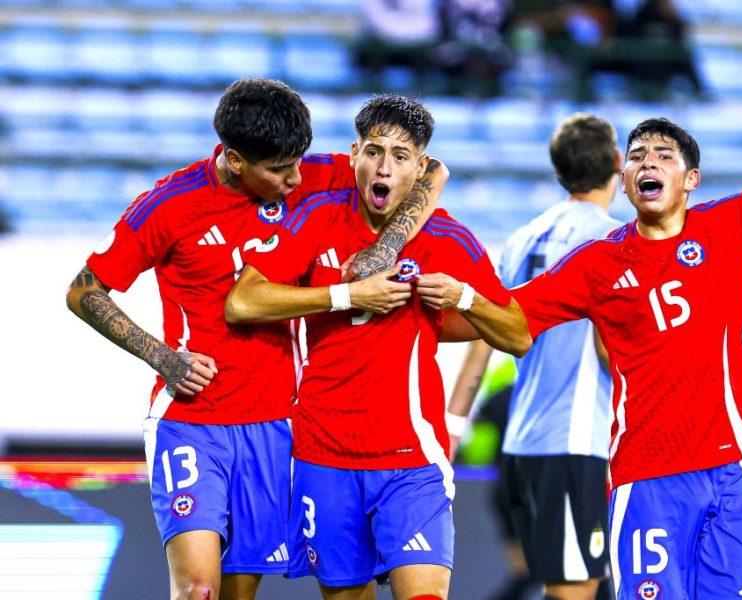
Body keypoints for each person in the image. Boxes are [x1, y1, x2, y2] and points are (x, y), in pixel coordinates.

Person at [508, 56, 742, 598]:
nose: (647, 162)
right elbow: (514, 317)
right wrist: (450, 300)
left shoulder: (727, 226)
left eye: (663, 154)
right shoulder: (597, 263)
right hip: (646, 480)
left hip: (727, 473)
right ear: (626, 178)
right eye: (636, 156)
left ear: (690, 180)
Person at [65, 78, 444, 600]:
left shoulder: (307, 170)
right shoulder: (168, 207)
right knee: (199, 589)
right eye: (279, 170)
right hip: (193, 420)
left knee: (239, 593)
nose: (295, 179)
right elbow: (84, 291)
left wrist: (385, 249)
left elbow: (434, 170)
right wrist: (162, 357)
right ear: (236, 160)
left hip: (276, 424)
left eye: (298, 163)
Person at [224, 94, 532, 600]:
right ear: (353, 155)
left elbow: (516, 333)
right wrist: (346, 295)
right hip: (324, 455)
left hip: (411, 460)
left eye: (400, 156)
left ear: (421, 168)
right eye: (373, 151)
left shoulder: (448, 238)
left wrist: (465, 297)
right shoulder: (315, 217)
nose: (383, 167)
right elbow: (243, 302)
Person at [447, 113, 623, 600]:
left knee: (577, 583)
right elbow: (613, 352)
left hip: (523, 446)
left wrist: (453, 421)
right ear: (617, 162)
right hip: (573, 441)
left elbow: (484, 330)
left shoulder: (523, 238)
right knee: (576, 588)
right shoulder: (615, 242)